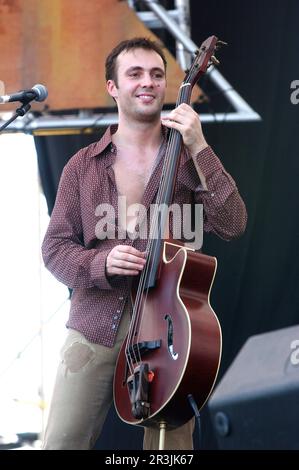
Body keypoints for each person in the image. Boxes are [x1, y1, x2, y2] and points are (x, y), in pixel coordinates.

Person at [41, 37, 247, 450]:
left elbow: (233, 222)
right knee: (60, 444)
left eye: (156, 74)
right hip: (95, 325)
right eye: (134, 74)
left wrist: (199, 145)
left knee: (169, 452)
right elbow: (55, 248)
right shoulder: (83, 165)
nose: (147, 83)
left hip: (172, 326)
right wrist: (102, 264)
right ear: (112, 87)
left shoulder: (189, 157)